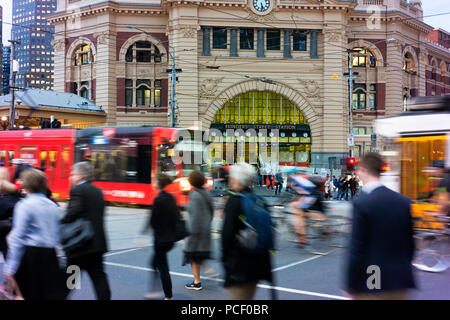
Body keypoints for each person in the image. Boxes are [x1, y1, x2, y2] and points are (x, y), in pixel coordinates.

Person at [345, 153, 415, 300]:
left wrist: (351, 285)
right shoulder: (403, 201)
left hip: (374, 278)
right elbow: (410, 245)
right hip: (401, 278)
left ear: (364, 170)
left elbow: (356, 249)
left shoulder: (363, 203)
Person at [3, 169, 67, 300]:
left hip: (31, 256)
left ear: (26, 185)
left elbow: (17, 237)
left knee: (28, 294)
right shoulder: (52, 206)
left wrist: (10, 268)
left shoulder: (24, 205)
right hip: (51, 256)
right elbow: (58, 234)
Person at [60, 162, 111, 300]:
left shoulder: (77, 190)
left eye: (73, 174)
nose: (71, 177)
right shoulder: (97, 191)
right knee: (99, 277)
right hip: (97, 243)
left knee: (71, 278)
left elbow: (72, 213)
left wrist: (61, 219)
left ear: (80, 176)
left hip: (81, 245)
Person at [221, 163, 272, 300]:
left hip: (239, 267)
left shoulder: (234, 201)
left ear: (237, 180)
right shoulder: (259, 200)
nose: (230, 180)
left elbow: (226, 236)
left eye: (231, 177)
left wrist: (225, 261)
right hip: (258, 266)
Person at [145, 173, 178, 300]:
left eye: (155, 181)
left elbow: (153, 221)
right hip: (170, 238)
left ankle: (168, 295)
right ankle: (156, 289)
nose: (153, 183)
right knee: (154, 263)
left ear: (158, 183)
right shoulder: (171, 197)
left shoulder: (158, 199)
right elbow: (175, 217)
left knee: (162, 267)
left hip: (161, 240)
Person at [183, 171, 214, 291]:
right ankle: (208, 269)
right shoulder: (206, 193)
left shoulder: (194, 195)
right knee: (199, 254)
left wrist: (191, 233)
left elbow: (194, 216)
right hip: (206, 229)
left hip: (196, 232)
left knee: (193, 256)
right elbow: (211, 211)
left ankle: (197, 282)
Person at [289, 176, 328, 245]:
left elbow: (304, 200)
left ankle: (302, 237)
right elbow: (303, 198)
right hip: (316, 206)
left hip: (316, 207)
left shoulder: (312, 191)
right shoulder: (314, 190)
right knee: (300, 213)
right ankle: (301, 234)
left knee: (301, 215)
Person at [0, 168, 20, 260]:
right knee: (3, 244)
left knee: (3, 243)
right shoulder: (13, 188)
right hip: (9, 222)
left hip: (2, 221)